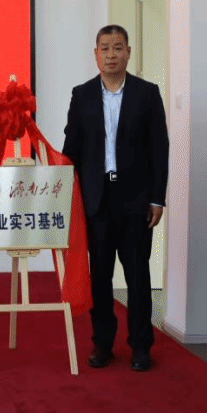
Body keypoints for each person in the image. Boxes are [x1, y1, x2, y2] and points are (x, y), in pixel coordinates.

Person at [62, 24, 168, 372]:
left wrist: (157, 199)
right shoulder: (82, 95)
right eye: (105, 48)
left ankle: (140, 346)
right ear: (96, 55)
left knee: (138, 277)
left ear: (128, 53)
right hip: (96, 199)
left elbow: (159, 149)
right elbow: (71, 148)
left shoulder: (147, 94)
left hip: (136, 200)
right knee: (100, 277)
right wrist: (64, 192)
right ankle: (103, 344)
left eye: (118, 48)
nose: (111, 55)